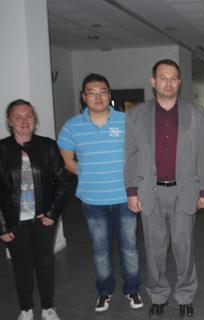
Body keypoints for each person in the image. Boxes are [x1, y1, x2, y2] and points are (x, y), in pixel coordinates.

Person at [124, 59, 204, 318]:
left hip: (184, 191)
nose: (169, 83)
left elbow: (203, 156)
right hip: (149, 191)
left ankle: (185, 295)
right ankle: (158, 295)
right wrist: (131, 191)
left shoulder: (196, 114)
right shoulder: (136, 115)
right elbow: (130, 155)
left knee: (184, 248)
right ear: (153, 82)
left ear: (180, 82)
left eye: (173, 78)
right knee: (154, 249)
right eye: (163, 78)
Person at [57, 74, 143, 312]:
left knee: (129, 246)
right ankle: (104, 292)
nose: (98, 96)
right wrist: (90, 176)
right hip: (93, 200)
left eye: (103, 91)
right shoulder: (72, 126)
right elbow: (67, 161)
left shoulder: (127, 121)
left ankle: (132, 288)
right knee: (100, 249)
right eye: (92, 92)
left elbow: (139, 155)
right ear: (84, 97)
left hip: (126, 197)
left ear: (109, 94)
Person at [0, 99, 68, 320]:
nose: (24, 121)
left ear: (35, 119)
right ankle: (26, 308)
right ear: (9, 121)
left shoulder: (47, 146)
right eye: (18, 117)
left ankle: (48, 307)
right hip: (14, 222)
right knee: (21, 265)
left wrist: (52, 213)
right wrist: (1, 226)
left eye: (28, 116)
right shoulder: (1, 149)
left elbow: (62, 182)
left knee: (45, 263)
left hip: (43, 220)